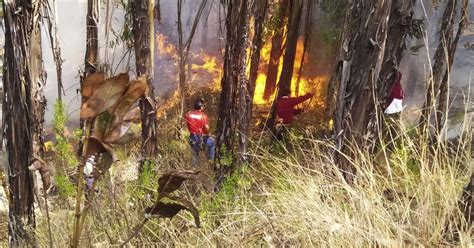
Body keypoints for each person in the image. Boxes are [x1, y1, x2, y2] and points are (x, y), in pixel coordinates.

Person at [184, 99, 215, 165]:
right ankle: (210, 160)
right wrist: (208, 134)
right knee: (212, 142)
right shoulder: (203, 116)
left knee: (195, 154)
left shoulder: (188, 115)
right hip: (201, 137)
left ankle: (195, 169)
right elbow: (206, 127)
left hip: (192, 137)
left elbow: (188, 124)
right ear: (201, 106)